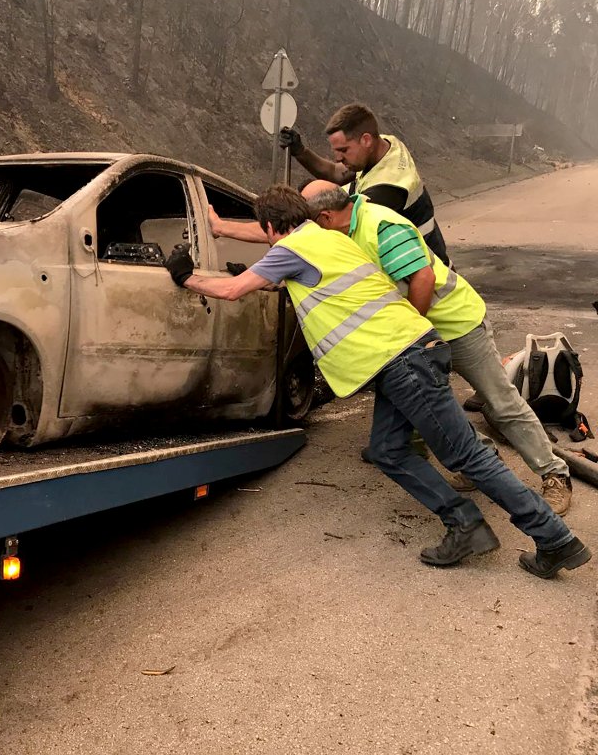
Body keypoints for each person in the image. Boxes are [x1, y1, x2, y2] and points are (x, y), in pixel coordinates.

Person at [164, 184, 589, 578]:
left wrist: (186, 275)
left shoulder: (292, 247)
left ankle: (554, 538)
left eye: (269, 233)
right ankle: (466, 524)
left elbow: (234, 289)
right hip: (407, 355)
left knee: (466, 456)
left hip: (403, 361)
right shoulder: (330, 238)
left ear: (273, 227)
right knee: (387, 451)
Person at [301, 180, 573, 515]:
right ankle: (484, 458)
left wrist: (412, 330)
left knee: (501, 403)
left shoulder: (379, 225)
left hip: (456, 326)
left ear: (325, 216)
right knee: (433, 408)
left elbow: (423, 279)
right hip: (422, 334)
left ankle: (555, 475)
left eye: (308, 220)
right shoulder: (344, 232)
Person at [279, 103, 449, 264]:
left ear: (366, 140)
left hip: (427, 274)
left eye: (343, 150)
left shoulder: (388, 188)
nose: (338, 158)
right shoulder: (384, 145)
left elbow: (338, 226)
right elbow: (336, 173)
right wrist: (301, 151)